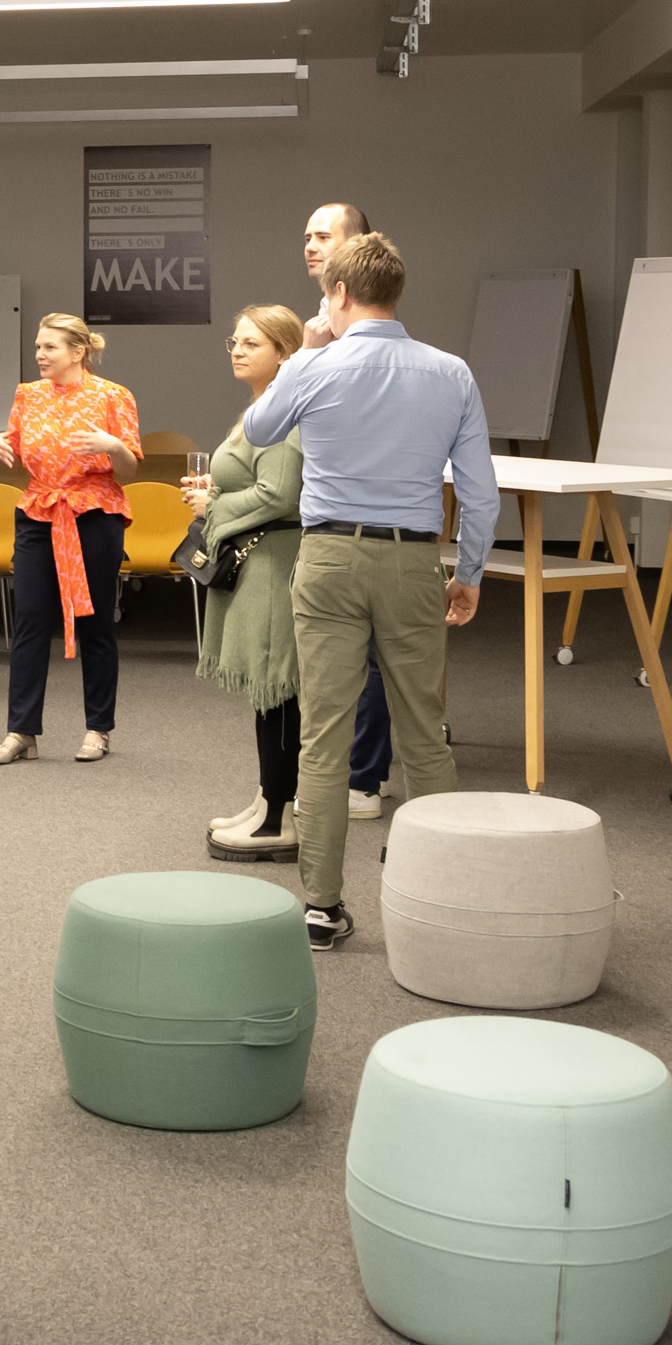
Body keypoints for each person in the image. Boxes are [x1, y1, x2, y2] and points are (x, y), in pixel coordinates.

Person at [245, 231, 498, 951]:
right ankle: (443, 899)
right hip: (412, 561)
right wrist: (469, 574)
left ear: (340, 293)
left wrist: (305, 351)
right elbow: (480, 494)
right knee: (423, 731)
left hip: (326, 558)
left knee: (323, 737)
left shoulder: (314, 364)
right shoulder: (451, 372)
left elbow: (259, 429)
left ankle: (321, 909)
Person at [0, 313, 140, 765]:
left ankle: (98, 728)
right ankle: (21, 731)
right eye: (38, 346)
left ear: (77, 352)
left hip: (95, 514)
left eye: (49, 347)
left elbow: (129, 469)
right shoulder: (27, 395)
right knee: (30, 619)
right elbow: (14, 443)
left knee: (95, 622)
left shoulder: (113, 396)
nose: (40, 355)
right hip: (38, 511)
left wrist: (114, 446)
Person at [183, 307, 311, 861]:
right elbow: (259, 481)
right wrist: (216, 489)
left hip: (276, 562)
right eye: (233, 341)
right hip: (260, 560)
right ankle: (266, 802)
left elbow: (280, 494)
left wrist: (212, 504)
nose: (236, 350)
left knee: (277, 688)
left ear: (284, 353)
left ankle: (278, 820)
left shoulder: (284, 414)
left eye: (251, 343)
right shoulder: (263, 407)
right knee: (268, 693)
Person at [300, 199, 397, 822]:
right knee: (333, 660)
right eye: (306, 237)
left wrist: (309, 357)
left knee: (368, 659)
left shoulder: (359, 335)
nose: (311, 246)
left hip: (364, 519)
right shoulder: (319, 323)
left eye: (323, 236)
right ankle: (342, 773)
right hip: (321, 513)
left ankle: (363, 777)